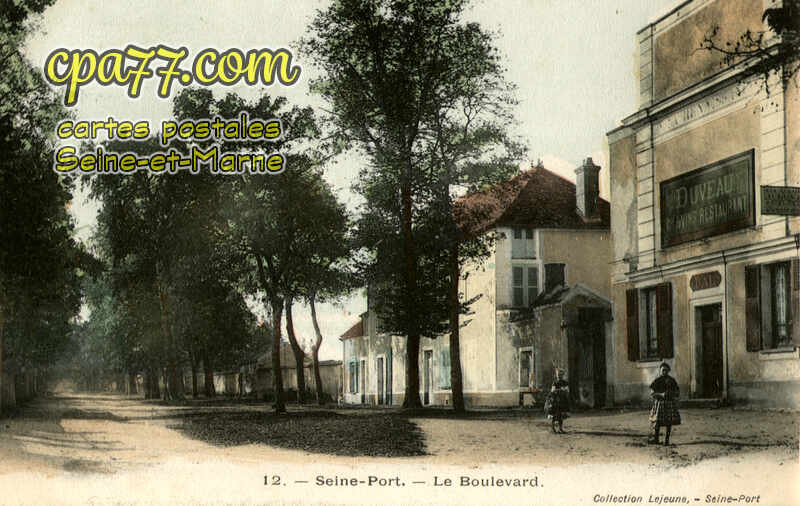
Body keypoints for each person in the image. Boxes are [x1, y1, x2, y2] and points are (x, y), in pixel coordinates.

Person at [648, 362, 681, 446]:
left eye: (666, 370)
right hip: (660, 404)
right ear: (660, 371)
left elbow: (677, 392)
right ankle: (656, 439)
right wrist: (660, 394)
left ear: (668, 371)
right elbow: (652, 393)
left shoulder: (672, 380)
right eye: (663, 370)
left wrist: (672, 394)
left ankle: (667, 441)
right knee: (657, 422)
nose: (664, 372)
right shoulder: (657, 380)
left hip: (669, 404)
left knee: (669, 422)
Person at [545, 368, 570, 434]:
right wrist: (560, 390)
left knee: (561, 414)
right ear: (556, 375)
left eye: (561, 374)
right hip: (555, 400)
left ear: (563, 375)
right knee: (555, 414)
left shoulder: (565, 382)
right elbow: (552, 391)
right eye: (558, 375)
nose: (559, 376)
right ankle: (553, 427)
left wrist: (562, 391)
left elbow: (567, 390)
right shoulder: (555, 382)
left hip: (562, 400)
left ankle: (560, 428)